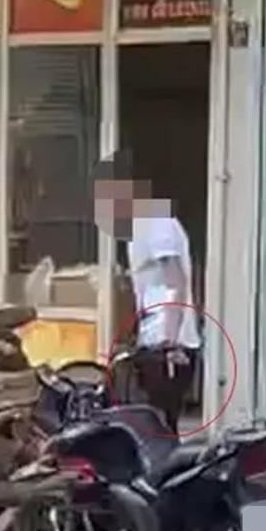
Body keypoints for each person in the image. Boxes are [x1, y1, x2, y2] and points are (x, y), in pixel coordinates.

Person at [94, 153, 201, 434]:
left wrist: (170, 341)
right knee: (154, 425)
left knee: (161, 425)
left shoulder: (158, 224)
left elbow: (175, 280)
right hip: (153, 341)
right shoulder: (142, 226)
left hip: (166, 345)